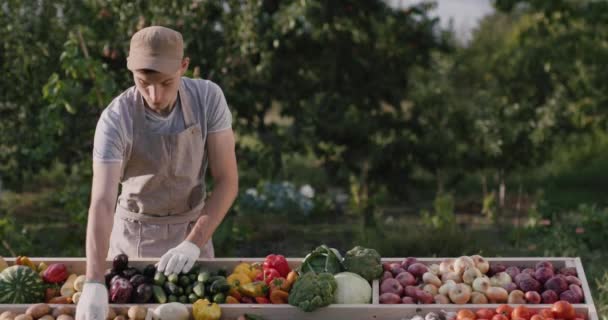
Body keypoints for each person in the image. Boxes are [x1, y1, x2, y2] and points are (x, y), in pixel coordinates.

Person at [75, 26, 238, 319]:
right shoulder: (115, 119)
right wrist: (94, 281)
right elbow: (101, 202)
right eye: (143, 83)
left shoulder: (207, 98)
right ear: (131, 70)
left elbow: (227, 181)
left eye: (166, 82)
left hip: (193, 231)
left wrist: (193, 244)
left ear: (184, 66)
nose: (155, 95)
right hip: (133, 238)